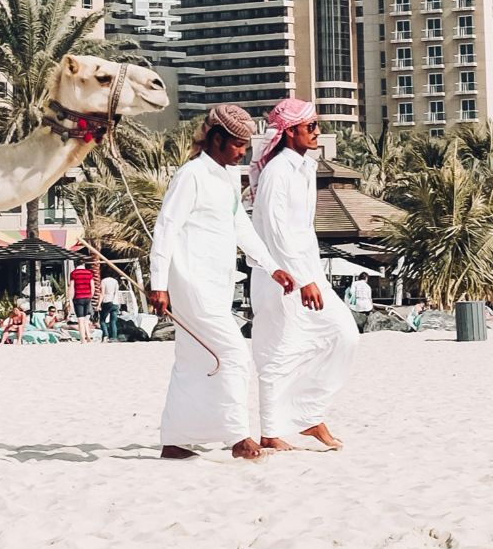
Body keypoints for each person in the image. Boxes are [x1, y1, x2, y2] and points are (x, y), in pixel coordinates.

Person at [148, 104, 297, 462]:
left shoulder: (227, 177)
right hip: (190, 283)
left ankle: (175, 440)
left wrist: (272, 266)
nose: (243, 152)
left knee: (190, 360)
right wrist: (158, 283)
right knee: (232, 354)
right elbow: (165, 228)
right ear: (216, 139)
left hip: (216, 283)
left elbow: (240, 227)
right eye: (237, 145)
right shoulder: (192, 175)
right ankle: (239, 437)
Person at [250, 98, 357, 452]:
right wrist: (302, 278)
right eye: (311, 126)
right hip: (280, 277)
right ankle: (270, 432)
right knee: (277, 351)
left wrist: (311, 276)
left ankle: (309, 415)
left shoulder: (303, 168)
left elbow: (300, 231)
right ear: (290, 131)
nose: (317, 132)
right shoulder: (278, 171)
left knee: (344, 335)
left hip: (308, 272)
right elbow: (277, 233)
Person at [69, 262, 96, 342]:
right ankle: (88, 337)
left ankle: (82, 339)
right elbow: (92, 287)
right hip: (87, 297)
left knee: (80, 319)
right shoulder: (89, 273)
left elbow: (72, 287)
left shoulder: (74, 273)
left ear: (75, 264)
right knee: (86, 318)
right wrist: (90, 296)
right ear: (83, 264)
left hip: (78, 298)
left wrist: (70, 299)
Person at [97, 272, 123, 341]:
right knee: (113, 321)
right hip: (115, 302)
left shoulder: (104, 281)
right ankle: (114, 337)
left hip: (107, 301)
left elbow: (102, 293)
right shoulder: (115, 281)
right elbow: (116, 292)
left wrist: (98, 305)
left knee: (102, 320)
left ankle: (105, 335)